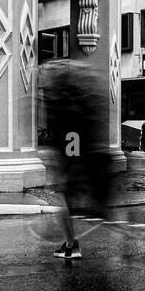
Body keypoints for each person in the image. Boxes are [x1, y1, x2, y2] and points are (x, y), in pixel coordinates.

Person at [39, 58, 112, 259]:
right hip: (80, 157)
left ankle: (71, 246)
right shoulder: (78, 99)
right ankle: (71, 242)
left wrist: (67, 166)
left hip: (72, 158)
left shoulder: (65, 102)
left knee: (61, 199)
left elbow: (71, 137)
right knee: (67, 199)